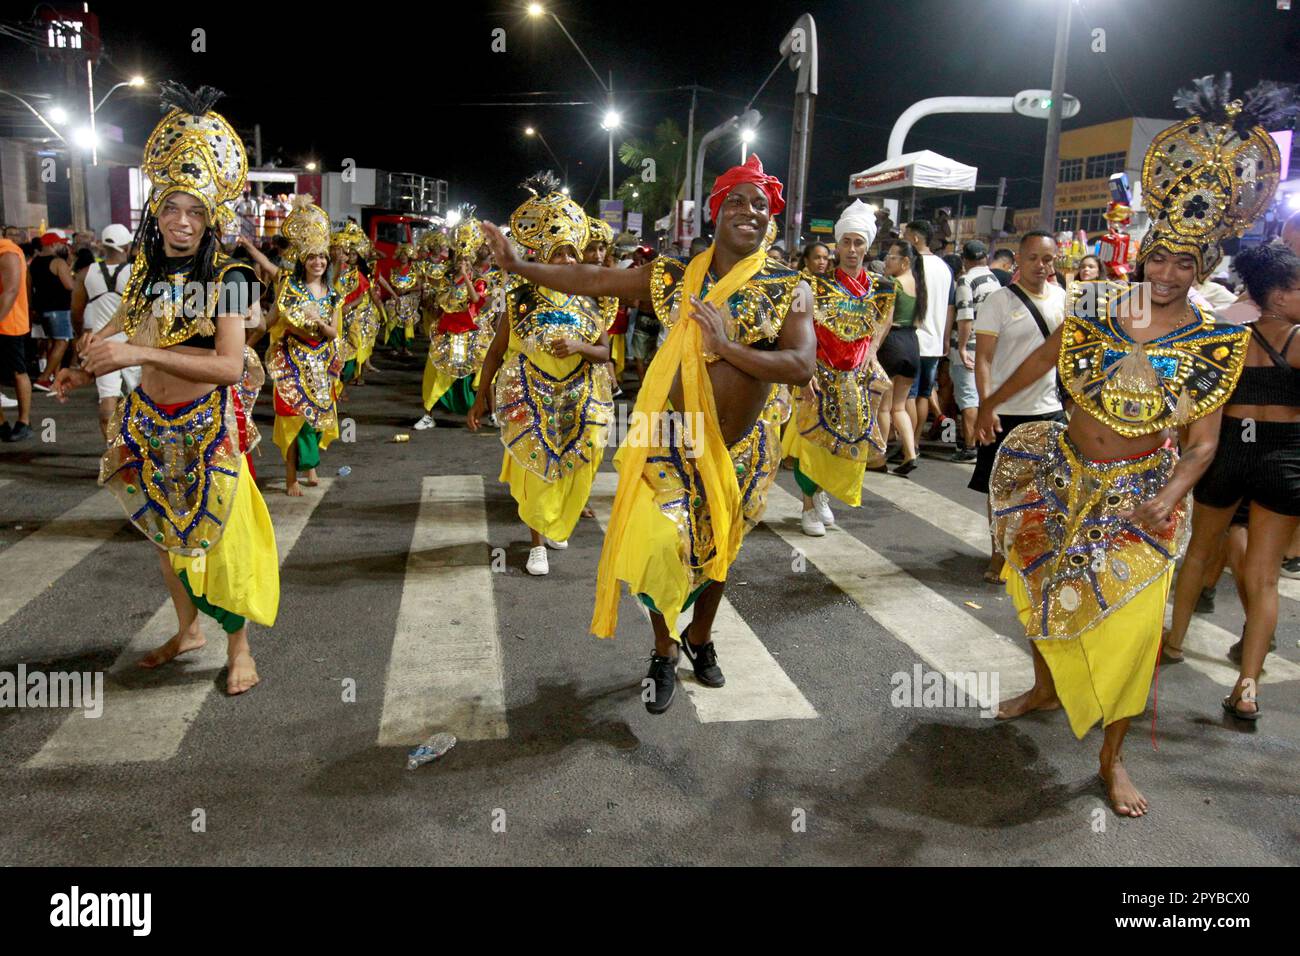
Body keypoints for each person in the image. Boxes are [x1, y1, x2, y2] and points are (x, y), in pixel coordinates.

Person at [974, 76, 1282, 816]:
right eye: (1161, 258)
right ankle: (1046, 687)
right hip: (1058, 475)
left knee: (1132, 630)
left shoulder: (1215, 342)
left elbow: (1203, 445)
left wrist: (1166, 498)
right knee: (1043, 594)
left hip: (1142, 494)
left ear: (1205, 266)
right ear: (1144, 254)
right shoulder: (1100, 310)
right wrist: (988, 401)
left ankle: (1112, 762)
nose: (1170, 275)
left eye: (1186, 264)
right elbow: (1047, 359)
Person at [479, 155, 815, 713]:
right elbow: (591, 277)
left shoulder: (788, 288)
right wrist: (520, 266)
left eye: (761, 204)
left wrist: (728, 347)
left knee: (717, 555)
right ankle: (663, 649)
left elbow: (802, 363)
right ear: (716, 213)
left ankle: (700, 637)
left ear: (772, 219)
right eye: (737, 200)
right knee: (663, 543)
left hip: (745, 449)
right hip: (673, 434)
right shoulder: (677, 277)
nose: (749, 211)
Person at [53, 82, 278, 695]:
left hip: (207, 425)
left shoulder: (231, 276)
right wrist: (88, 358)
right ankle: (188, 630)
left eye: (196, 211)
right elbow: (123, 319)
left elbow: (230, 366)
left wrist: (138, 352)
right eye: (171, 207)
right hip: (148, 420)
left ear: (212, 216)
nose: (182, 222)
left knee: (223, 539)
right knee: (164, 535)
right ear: (155, 209)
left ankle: (239, 647)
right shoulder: (148, 271)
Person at [1162, 242, 1300, 719]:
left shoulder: (1229, 340)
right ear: (1278, 295)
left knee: (1199, 551)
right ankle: (1247, 688)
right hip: (1284, 459)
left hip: (1229, 455)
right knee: (1263, 578)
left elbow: (1193, 406)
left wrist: (1184, 448)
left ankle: (1174, 642)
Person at [466, 173, 614, 577]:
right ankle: (536, 545)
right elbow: (496, 352)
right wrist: (481, 397)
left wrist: (581, 348)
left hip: (581, 397)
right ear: (543, 257)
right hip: (529, 394)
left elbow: (604, 352)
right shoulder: (520, 298)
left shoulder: (590, 298)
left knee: (578, 465)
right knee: (535, 469)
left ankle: (555, 522)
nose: (566, 261)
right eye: (558, 254)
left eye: (571, 253)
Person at [782, 199, 895, 535]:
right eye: (846, 241)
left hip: (856, 380)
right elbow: (796, 330)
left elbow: (881, 326)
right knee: (812, 444)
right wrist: (804, 374)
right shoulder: (812, 285)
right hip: (818, 374)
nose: (851, 249)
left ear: (867, 247)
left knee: (848, 445)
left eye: (858, 242)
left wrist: (872, 354)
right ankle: (807, 504)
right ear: (837, 244)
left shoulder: (883, 289)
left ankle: (823, 497)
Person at [970, 231, 1066, 582]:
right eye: (1033, 258)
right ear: (1018, 261)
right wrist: (986, 405)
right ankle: (997, 553)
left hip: (1048, 410)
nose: (1041, 265)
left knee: (1043, 489)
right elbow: (983, 359)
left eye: (1048, 259)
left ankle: (1030, 552)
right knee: (1001, 490)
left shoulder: (1063, 299)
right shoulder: (999, 301)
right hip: (1004, 411)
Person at [242, 198, 342, 496]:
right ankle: (290, 478)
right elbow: (269, 322)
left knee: (314, 418)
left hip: (321, 363)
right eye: (312, 258)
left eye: (322, 258)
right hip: (290, 362)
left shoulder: (333, 295)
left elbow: (334, 332)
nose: (318, 263)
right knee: (290, 419)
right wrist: (245, 347)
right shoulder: (289, 288)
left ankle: (310, 467)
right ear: (303, 260)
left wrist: (320, 325)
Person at [416, 212, 495, 426]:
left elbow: (476, 299)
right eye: (460, 259)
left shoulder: (478, 281)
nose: (463, 263)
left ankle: (493, 414)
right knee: (434, 372)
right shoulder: (446, 281)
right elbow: (438, 303)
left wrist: (467, 278)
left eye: (467, 260)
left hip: (471, 332)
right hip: (447, 331)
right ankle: (428, 415)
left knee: (483, 374)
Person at [72, 224, 137, 438]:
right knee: (142, 402)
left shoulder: (85, 273)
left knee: (107, 403)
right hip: (134, 346)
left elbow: (76, 312)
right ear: (127, 247)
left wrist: (80, 337)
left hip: (100, 345)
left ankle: (113, 453)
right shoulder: (136, 273)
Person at [876, 239, 927, 475]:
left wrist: (874, 346)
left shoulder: (894, 284)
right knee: (900, 407)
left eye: (892, 257)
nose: (887, 260)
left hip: (893, 343)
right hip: (912, 344)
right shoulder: (919, 285)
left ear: (905, 262)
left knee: (884, 408)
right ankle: (910, 453)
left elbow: (886, 321)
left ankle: (880, 455)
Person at [947, 240, 999, 463]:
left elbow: (965, 317)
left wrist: (961, 346)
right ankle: (982, 443)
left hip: (970, 347)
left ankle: (970, 446)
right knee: (981, 395)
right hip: (991, 346)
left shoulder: (965, 280)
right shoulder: (995, 280)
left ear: (965, 260)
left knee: (968, 398)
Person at [904, 219, 954, 454]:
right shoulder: (945, 268)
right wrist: (944, 337)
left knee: (909, 395)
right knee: (924, 393)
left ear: (915, 238)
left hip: (913, 339)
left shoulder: (913, 265)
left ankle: (908, 445)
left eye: (905, 236)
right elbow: (950, 306)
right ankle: (915, 440)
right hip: (934, 342)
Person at [30, 232, 75, 392]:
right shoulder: (57, 262)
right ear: (53, 245)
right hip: (59, 309)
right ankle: (44, 378)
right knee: (62, 342)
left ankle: (53, 378)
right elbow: (70, 285)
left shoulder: (34, 263)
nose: (62, 246)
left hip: (42, 309)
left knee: (52, 343)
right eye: (60, 243)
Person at [0, 229, 32, 441]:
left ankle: (24, 422)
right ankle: (1, 424)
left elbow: (10, 291)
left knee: (18, 372)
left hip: (9, 325)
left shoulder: (8, 252)